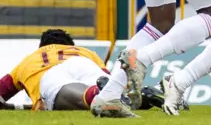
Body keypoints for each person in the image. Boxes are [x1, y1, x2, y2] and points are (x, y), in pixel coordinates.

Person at [0, 29, 168, 112]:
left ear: (41, 47)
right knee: (110, 90)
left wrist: (12, 107)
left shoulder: (30, 60)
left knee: (66, 92)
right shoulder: (86, 52)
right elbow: (109, 78)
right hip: (83, 63)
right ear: (70, 45)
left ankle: (97, 95)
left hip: (50, 75)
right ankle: (136, 96)